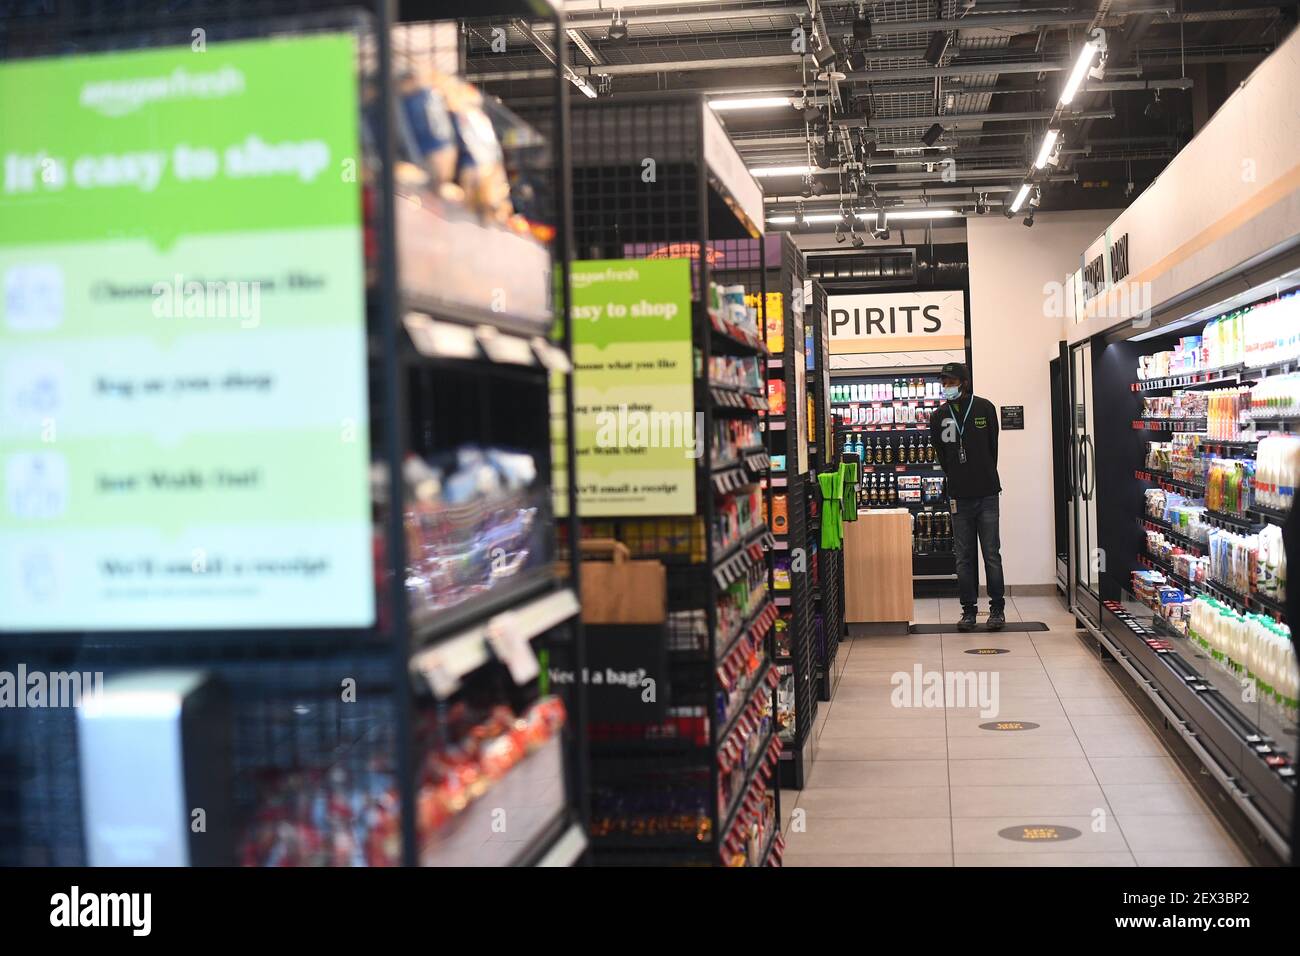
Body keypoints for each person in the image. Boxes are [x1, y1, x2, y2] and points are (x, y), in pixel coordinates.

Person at [928, 362, 1005, 632]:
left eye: (951, 382)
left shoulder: (985, 408)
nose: (947, 387)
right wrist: (959, 476)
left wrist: (979, 472)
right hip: (958, 496)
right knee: (963, 557)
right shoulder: (938, 416)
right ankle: (968, 611)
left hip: (987, 494)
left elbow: (992, 449)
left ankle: (997, 610)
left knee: (991, 554)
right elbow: (942, 455)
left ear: (964, 382)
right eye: (944, 383)